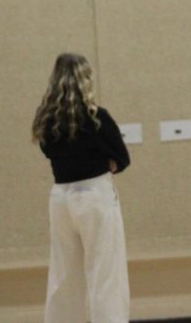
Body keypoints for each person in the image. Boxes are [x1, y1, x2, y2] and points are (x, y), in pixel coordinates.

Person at [32, 53, 131, 323]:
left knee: (64, 274)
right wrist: (101, 159)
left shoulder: (47, 120)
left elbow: (50, 152)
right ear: (85, 79)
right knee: (105, 273)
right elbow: (121, 158)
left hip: (60, 198)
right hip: (95, 195)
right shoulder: (97, 118)